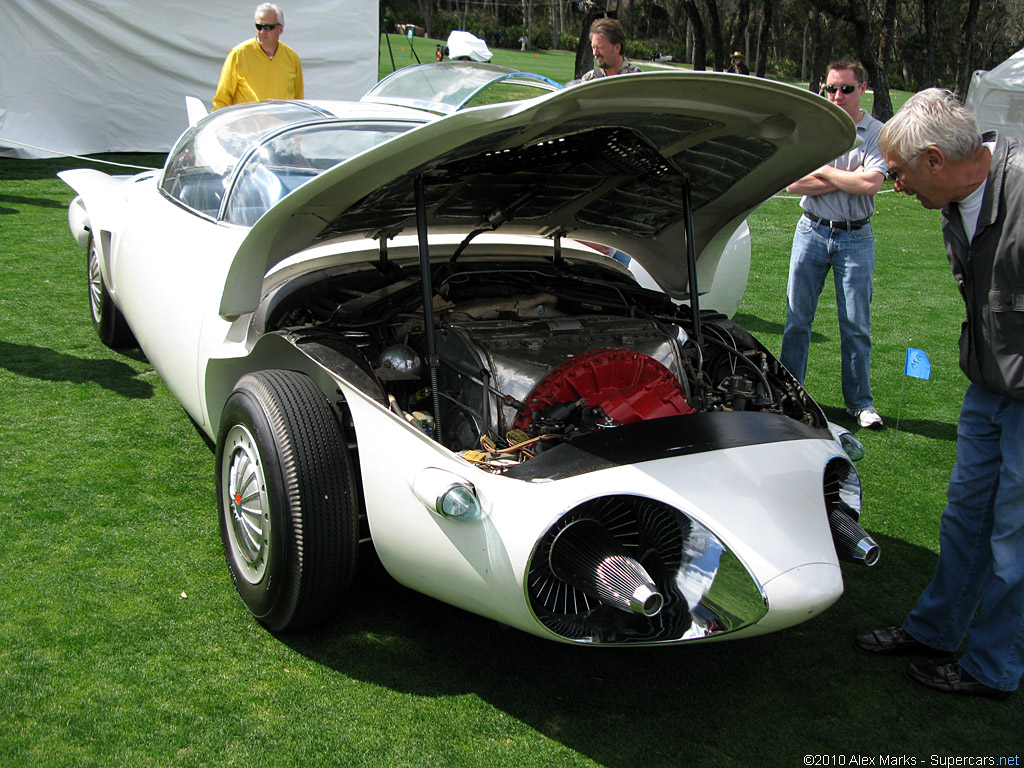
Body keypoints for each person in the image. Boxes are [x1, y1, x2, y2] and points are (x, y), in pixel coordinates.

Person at [855, 89, 1024, 701]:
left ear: (932, 159)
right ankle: (935, 630)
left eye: (896, 172)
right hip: (990, 386)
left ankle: (992, 668)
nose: (892, 184)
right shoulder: (956, 200)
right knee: (967, 519)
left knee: (1014, 541)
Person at [779, 60, 887, 429]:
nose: (837, 96)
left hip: (856, 236)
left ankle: (860, 403)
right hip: (811, 231)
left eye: (846, 89)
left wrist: (821, 170)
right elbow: (793, 184)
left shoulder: (876, 132)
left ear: (863, 89)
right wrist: (845, 176)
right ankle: (789, 395)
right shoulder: (817, 127)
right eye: (830, 89)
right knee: (797, 320)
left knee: (855, 324)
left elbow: (870, 184)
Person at [213, 3, 303, 111]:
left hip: (282, 125)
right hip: (248, 125)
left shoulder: (292, 58)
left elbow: (299, 101)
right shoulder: (239, 55)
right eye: (259, 26)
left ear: (281, 29)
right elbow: (222, 98)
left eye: (268, 27)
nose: (262, 31)